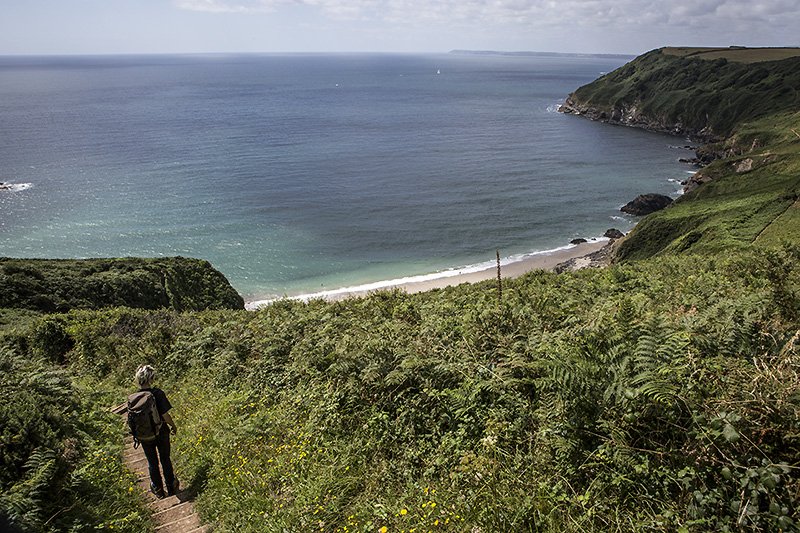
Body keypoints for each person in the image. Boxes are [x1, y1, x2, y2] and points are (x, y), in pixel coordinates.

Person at [133, 365, 179, 498]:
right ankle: (171, 485)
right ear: (151, 378)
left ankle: (158, 489)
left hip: (145, 436)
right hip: (161, 432)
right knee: (165, 458)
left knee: (152, 462)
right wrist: (173, 426)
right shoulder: (157, 393)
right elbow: (165, 415)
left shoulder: (135, 398)